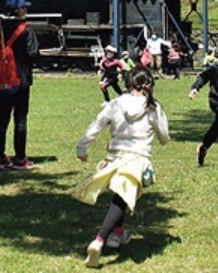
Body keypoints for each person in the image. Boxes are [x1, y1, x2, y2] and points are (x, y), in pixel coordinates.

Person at [73, 67, 170, 268]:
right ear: (148, 85)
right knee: (122, 197)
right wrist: (161, 137)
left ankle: (117, 234)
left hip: (115, 158)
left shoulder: (115, 103)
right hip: (137, 160)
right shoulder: (153, 106)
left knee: (122, 195)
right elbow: (164, 137)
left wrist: (82, 147)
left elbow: (96, 125)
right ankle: (99, 240)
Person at [0, 0, 39, 170]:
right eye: (24, 7)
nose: (26, 10)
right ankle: (20, 159)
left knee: (1, 119)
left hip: (1, 81)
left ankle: (0, 158)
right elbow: (33, 54)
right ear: (18, 10)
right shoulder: (26, 29)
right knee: (20, 120)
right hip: (21, 80)